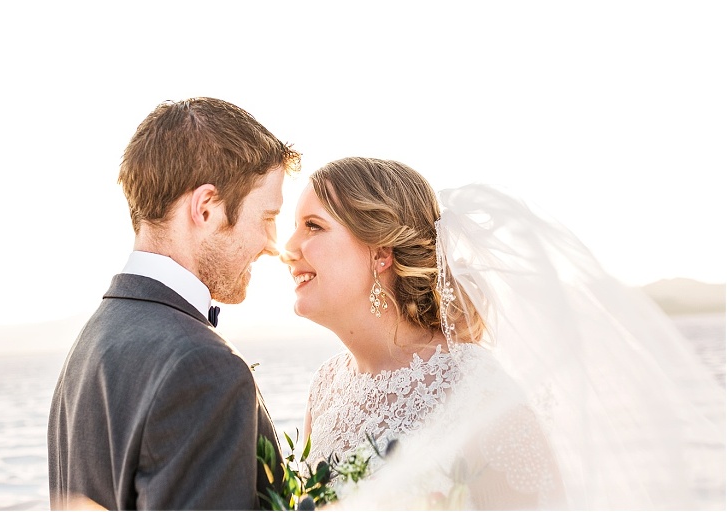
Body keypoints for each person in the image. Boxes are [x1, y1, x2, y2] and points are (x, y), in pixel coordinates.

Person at [280, 157, 725, 509]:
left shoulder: (477, 392)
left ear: (380, 253)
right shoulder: (326, 387)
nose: (288, 246)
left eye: (313, 226)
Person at [48, 97, 300, 510]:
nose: (272, 246)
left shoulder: (89, 344)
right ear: (205, 208)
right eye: (267, 218)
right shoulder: (202, 367)